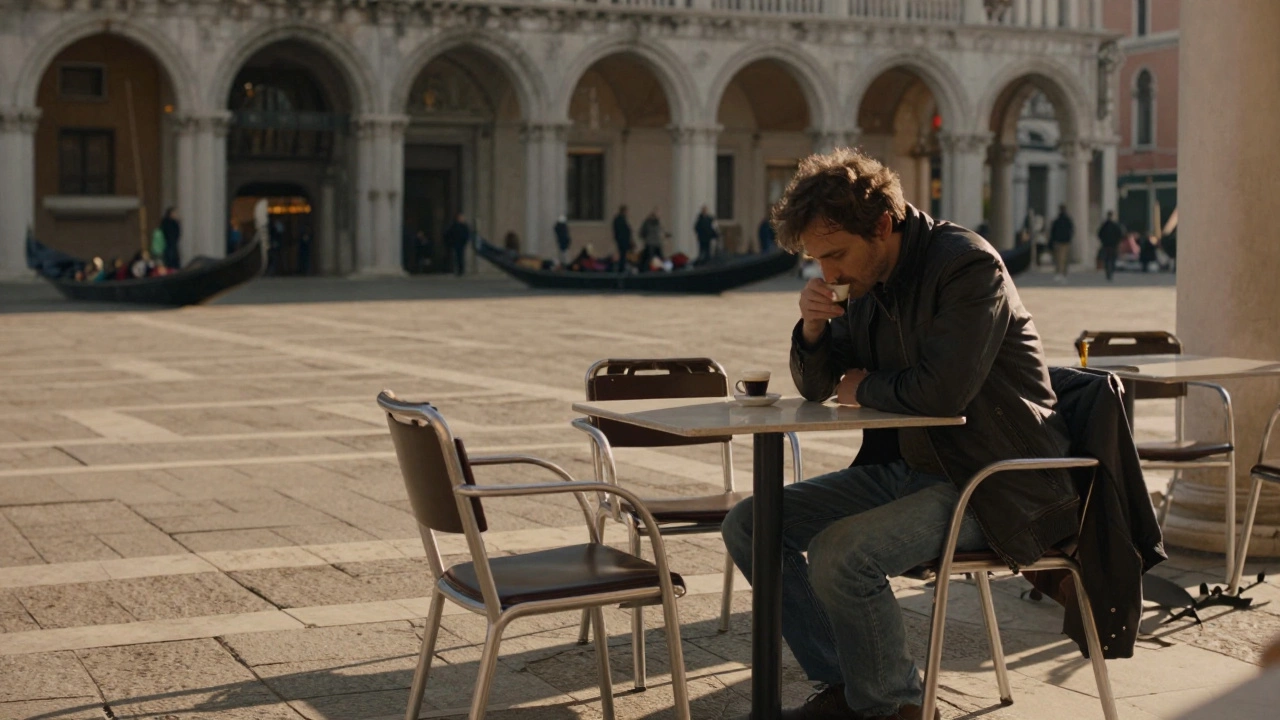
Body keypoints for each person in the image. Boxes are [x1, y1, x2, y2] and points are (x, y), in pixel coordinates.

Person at [721, 148, 1078, 720]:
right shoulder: (860, 284)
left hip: (994, 479)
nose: (828, 273)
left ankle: (897, 708)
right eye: (817, 261)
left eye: (835, 255)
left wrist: (862, 387)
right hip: (914, 468)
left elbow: (943, 392)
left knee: (842, 555)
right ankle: (845, 685)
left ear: (883, 224)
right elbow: (818, 387)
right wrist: (813, 331)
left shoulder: (967, 266)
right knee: (751, 524)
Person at [1096, 210, 1124, 281]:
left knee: (1107, 259)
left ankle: (1108, 272)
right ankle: (1110, 272)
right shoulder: (1115, 225)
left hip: (1106, 244)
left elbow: (1099, 234)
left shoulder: (1105, 225)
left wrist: (1103, 241)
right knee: (1112, 259)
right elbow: (1120, 234)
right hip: (1113, 245)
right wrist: (1117, 242)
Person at [1048, 204, 1074, 282]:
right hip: (1065, 241)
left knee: (1059, 259)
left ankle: (1060, 273)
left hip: (1058, 242)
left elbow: (1053, 232)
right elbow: (1071, 230)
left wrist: (1052, 241)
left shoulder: (1057, 220)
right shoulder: (1068, 220)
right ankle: (1063, 273)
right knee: (1064, 259)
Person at [611, 205, 632, 271]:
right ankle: (621, 268)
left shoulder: (620, 219)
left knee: (623, 254)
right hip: (622, 240)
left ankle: (622, 267)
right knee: (622, 254)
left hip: (622, 240)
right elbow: (622, 230)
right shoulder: (620, 219)